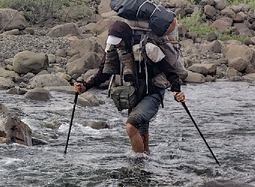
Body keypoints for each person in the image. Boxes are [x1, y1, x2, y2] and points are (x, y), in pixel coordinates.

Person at [73, 19, 186, 154]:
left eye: (119, 41)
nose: (118, 45)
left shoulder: (147, 47)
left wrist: (176, 90)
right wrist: (85, 86)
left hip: (153, 92)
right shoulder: (112, 49)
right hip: (135, 94)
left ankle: (136, 165)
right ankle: (146, 160)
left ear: (126, 37)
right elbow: (102, 74)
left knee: (131, 126)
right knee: (141, 132)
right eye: (114, 41)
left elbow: (170, 71)